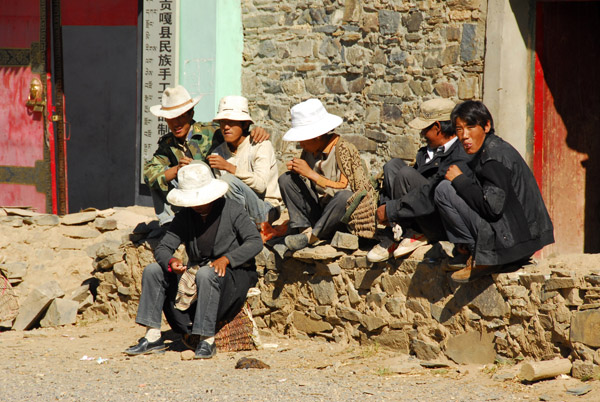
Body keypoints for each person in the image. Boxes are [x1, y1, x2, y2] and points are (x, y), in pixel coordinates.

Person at [124, 162, 263, 359]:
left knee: (207, 273)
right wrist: (171, 261)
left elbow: (255, 242)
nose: (197, 205)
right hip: (199, 273)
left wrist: (227, 259)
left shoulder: (233, 209)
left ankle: (207, 340)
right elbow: (164, 247)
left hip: (232, 275)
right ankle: (152, 335)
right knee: (153, 270)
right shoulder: (185, 217)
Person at [434, 100, 554, 282]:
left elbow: (492, 208)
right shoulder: (492, 150)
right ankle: (471, 252)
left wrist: (459, 181)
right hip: (524, 241)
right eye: (459, 130)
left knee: (444, 190)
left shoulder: (493, 158)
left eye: (470, 127)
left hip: (515, 243)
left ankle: (481, 258)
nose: (464, 135)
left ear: (487, 126)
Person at [144, 85, 270, 226]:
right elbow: (148, 174)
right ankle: (169, 224)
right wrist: (177, 170)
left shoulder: (212, 132)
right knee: (158, 178)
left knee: (197, 166)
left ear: (191, 114)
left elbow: (238, 134)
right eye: (170, 119)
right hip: (189, 196)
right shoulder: (167, 145)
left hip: (215, 192)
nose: (176, 123)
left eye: (180, 117)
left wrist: (256, 131)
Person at [367, 98, 472, 262]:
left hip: (438, 220)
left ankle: (414, 232)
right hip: (417, 210)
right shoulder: (425, 153)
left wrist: (392, 209)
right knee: (393, 166)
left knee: (406, 174)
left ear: (437, 127)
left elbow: (431, 193)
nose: (422, 134)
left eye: (425, 129)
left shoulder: (458, 153)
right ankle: (398, 230)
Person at [279, 98, 377, 251]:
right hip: (319, 210)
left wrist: (312, 174)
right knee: (286, 179)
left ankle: (312, 237)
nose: (300, 144)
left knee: (344, 197)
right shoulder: (309, 151)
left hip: (338, 216)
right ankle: (303, 230)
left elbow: (349, 192)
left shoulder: (344, 150)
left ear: (316, 136)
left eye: (302, 139)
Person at [207, 96, 283, 238]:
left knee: (228, 180)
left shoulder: (260, 145)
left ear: (244, 124)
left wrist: (230, 168)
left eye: (232, 122)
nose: (226, 127)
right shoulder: (218, 152)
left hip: (266, 208)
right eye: (223, 122)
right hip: (237, 210)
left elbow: (260, 185)